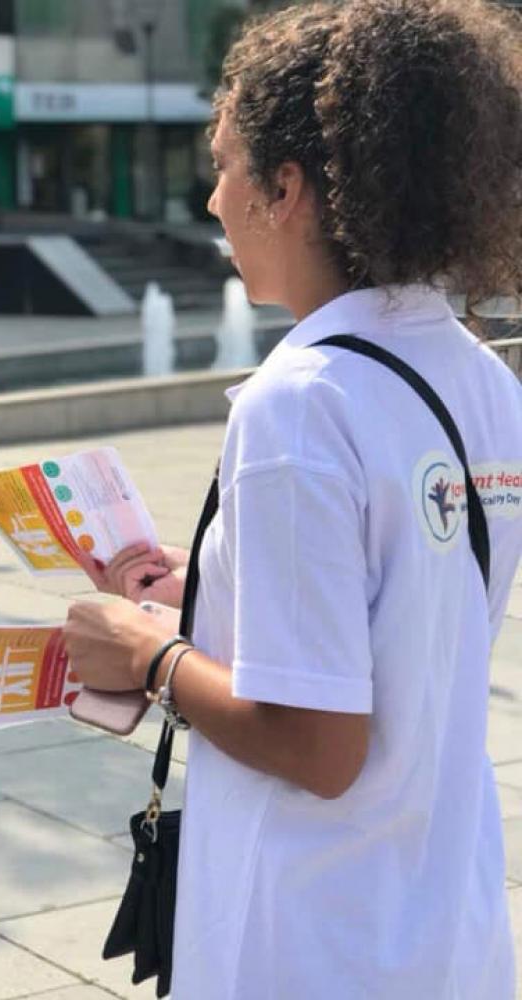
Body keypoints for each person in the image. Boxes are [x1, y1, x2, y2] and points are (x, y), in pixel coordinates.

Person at [63, 1, 522, 997]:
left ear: (288, 189)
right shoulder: (480, 378)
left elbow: (318, 746)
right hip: (443, 917)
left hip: (311, 934)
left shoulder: (299, 406)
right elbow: (404, 607)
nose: (213, 201)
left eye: (226, 168)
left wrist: (150, 655)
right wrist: (214, 588)